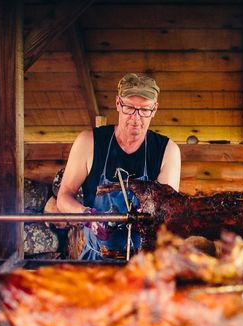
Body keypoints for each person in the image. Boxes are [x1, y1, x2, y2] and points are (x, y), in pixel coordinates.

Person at [56, 73, 181, 260]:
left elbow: (168, 209)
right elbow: (63, 197)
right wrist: (89, 217)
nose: (136, 118)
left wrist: (147, 216)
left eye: (144, 110)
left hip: (145, 263)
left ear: (155, 109)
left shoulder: (167, 151)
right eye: (129, 108)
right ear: (118, 104)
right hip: (96, 260)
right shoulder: (89, 142)